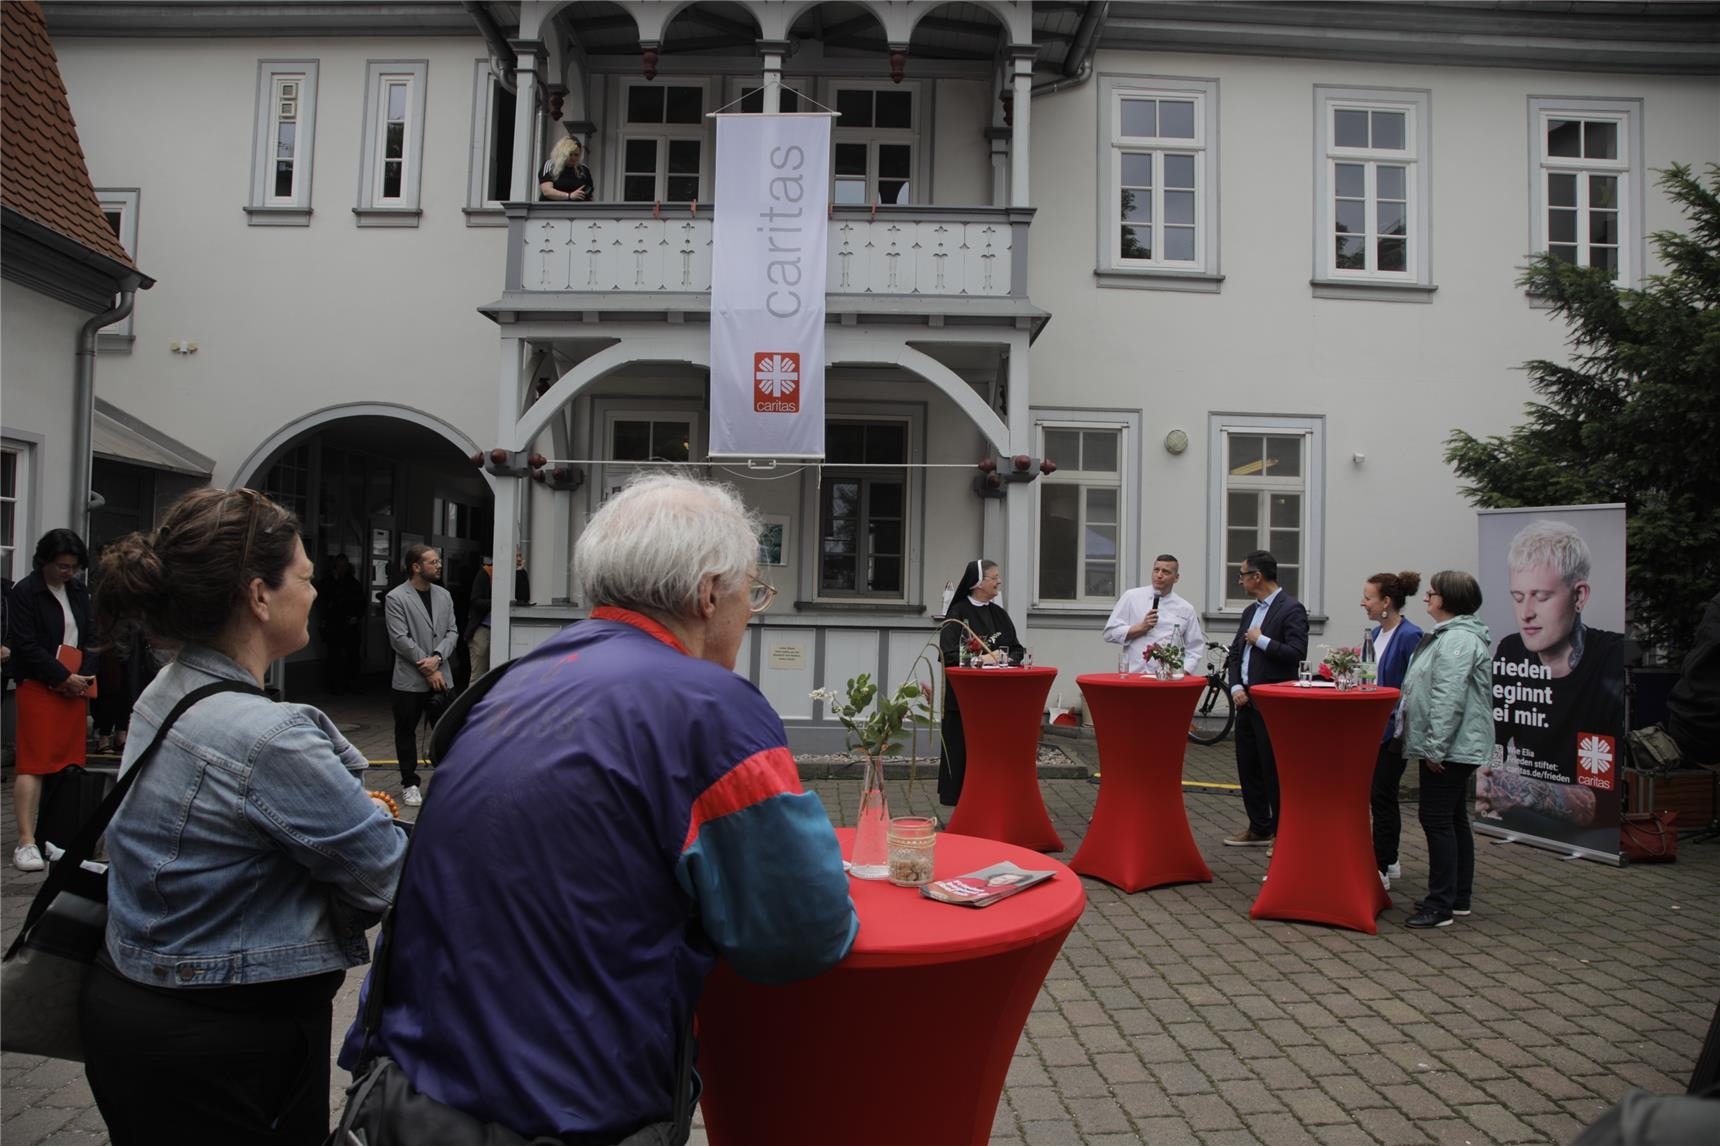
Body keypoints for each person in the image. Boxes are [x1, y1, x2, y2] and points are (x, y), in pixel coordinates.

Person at [339, 474, 856, 1142]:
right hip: (571, 1107)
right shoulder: (711, 709)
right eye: (750, 592)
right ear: (707, 594)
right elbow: (799, 935)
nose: (750, 612)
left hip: (411, 1091)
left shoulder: (512, 683)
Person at [79, 487, 407, 1142]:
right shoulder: (269, 736)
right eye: (306, 578)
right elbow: (388, 875)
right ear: (260, 595)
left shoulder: (168, 688)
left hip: (137, 1000)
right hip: (229, 1034)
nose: (313, 592)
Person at [1479, 520, 1625, 853]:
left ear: (1579, 596)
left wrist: (1511, 788)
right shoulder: (1512, 651)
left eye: (1541, 597)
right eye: (1518, 597)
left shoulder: (1611, 660)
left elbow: (1600, 799)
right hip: (1531, 829)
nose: (1526, 613)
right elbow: (1491, 744)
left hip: (1594, 839)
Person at [1400, 570, 1493, 928]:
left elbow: (1447, 695)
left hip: (1449, 747)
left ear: (1447, 599)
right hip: (1452, 744)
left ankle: (1440, 906)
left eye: (1432, 593)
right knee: (1453, 818)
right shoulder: (1452, 637)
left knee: (1436, 818)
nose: (1427, 598)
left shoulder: (1457, 641)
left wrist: (1435, 747)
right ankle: (1457, 898)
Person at [6, 529, 97, 871]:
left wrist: (85, 675)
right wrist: (62, 677)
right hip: (40, 685)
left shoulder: (77, 590)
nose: (67, 572)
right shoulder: (25, 592)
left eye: (73, 566)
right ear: (43, 561)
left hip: (74, 687)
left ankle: (57, 837)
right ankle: (26, 841)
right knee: (34, 762)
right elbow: (25, 644)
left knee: (67, 763)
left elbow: (91, 635)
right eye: (61, 566)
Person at [1223, 550, 1308, 845]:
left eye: (1243, 574)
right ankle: (1259, 826)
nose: (1240, 581)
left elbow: (1297, 654)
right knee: (1248, 767)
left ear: (1257, 576)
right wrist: (1235, 687)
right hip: (1245, 700)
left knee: (1273, 770)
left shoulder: (1291, 609)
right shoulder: (1250, 611)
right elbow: (1235, 652)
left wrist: (1262, 640)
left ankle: (1283, 835)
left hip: (1273, 704)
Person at [937, 558, 1027, 806]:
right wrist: (984, 659)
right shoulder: (956, 615)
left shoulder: (999, 614)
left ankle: (989, 799)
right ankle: (962, 803)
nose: (999, 582)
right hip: (964, 700)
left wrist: (1005, 658)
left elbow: (1018, 649)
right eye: (994, 577)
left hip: (995, 700)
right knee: (963, 752)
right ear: (978, 582)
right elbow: (948, 656)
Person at [1361, 570, 1423, 888]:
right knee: (1381, 796)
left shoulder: (1410, 635)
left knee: (1382, 795)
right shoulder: (1376, 632)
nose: (1363, 603)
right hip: (1376, 728)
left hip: (1394, 731)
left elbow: (1413, 687)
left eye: (1368, 597)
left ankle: (1382, 865)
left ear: (1386, 601)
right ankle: (1391, 859)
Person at [384, 544, 457, 807]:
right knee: (405, 731)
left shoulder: (444, 596)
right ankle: (409, 783)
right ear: (416, 566)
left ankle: (446, 782)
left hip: (441, 676)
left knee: (447, 730)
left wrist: (437, 658)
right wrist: (428, 668)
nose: (439, 566)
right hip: (409, 680)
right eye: (433, 562)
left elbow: (452, 632)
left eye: (438, 561)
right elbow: (399, 639)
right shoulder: (396, 597)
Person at [1103, 553, 1207, 674]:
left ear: (1176, 577)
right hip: (1134, 675)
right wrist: (1140, 628)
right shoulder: (1132, 597)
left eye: (1165, 572)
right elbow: (1109, 634)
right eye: (1156, 570)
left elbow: (1194, 648)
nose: (1159, 575)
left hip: (1166, 679)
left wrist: (1182, 672)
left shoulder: (1186, 608)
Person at [465, 546, 530, 680]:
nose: (518, 559)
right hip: (484, 629)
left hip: (504, 630)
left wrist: (520, 573)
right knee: (478, 676)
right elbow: (475, 601)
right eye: (516, 556)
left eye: (519, 556)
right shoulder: (486, 572)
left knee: (500, 676)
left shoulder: (518, 574)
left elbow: (523, 598)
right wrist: (499, 603)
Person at [315, 553, 366, 695]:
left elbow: (361, 603)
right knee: (334, 657)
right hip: (334, 626)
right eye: (339, 566)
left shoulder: (354, 584)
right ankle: (335, 686)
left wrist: (357, 616)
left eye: (344, 567)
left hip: (350, 626)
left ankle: (351, 685)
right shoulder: (328, 582)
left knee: (352, 657)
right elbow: (324, 600)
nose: (341, 569)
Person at [538, 135, 594, 203]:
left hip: (576, 210)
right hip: (552, 209)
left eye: (576, 155)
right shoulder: (550, 165)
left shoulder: (584, 169)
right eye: (570, 154)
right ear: (562, 154)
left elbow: (590, 195)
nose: (573, 158)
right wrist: (569, 196)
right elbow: (547, 191)